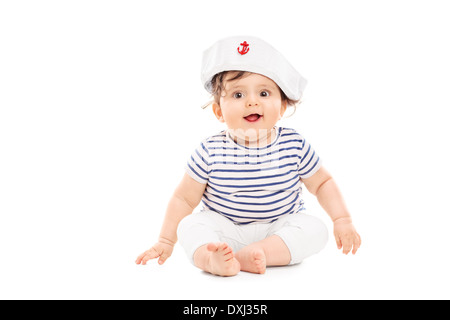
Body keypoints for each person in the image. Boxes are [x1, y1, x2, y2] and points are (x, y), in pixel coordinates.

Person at [135, 36, 361, 276]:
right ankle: (212, 259)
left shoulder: (294, 145)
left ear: (282, 107)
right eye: (238, 95)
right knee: (190, 226)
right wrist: (165, 241)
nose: (252, 101)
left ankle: (259, 252)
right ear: (219, 111)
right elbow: (184, 200)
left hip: (279, 229)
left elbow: (323, 183)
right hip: (225, 232)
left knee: (316, 229)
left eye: (264, 93)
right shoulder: (209, 151)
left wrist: (342, 219)